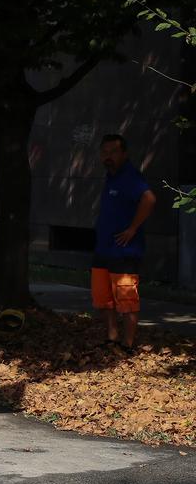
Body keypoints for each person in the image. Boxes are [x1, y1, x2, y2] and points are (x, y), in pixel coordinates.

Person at [92, 134, 156, 350]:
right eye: (104, 152)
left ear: (124, 154)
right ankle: (112, 338)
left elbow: (149, 199)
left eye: (113, 152)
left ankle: (128, 344)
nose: (108, 157)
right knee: (103, 299)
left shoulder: (130, 176)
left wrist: (132, 229)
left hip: (124, 251)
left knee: (127, 301)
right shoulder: (110, 176)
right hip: (103, 249)